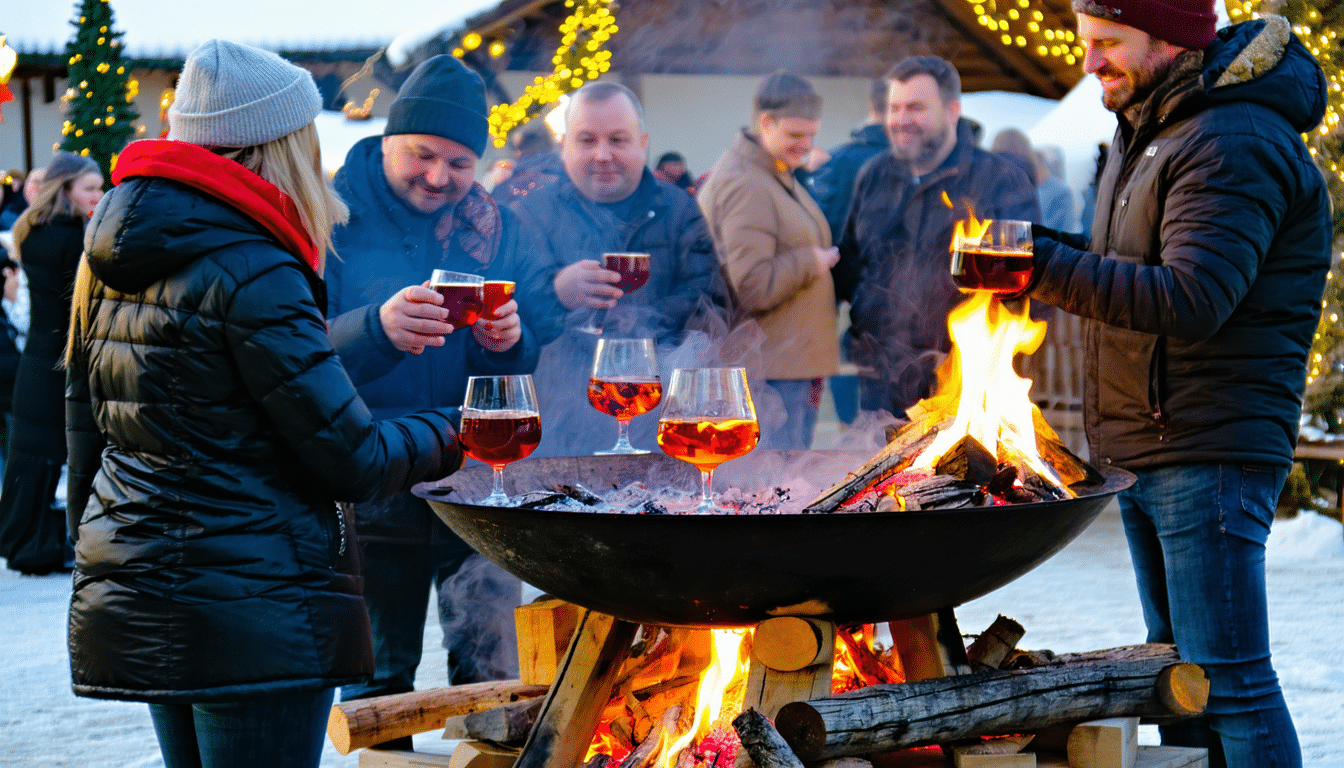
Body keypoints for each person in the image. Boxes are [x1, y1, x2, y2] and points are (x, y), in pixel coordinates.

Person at [62, 40, 465, 768]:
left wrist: (103, 562)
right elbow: (353, 458)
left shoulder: (116, 242)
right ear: (280, 143)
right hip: (254, 605)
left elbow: (88, 424)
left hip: (144, 586)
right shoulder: (255, 262)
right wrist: (460, 429)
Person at [1021, 5, 1331, 766]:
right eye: (1085, 43)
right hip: (1153, 440)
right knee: (1181, 680)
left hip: (1207, 446)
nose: (1089, 62)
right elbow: (1131, 262)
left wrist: (1046, 270)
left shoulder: (1233, 139)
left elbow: (1193, 298)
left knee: (1228, 679)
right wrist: (1038, 248)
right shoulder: (1154, 125)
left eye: (1108, 43)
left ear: (1171, 38)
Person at [326, 53, 550, 721]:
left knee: (492, 674)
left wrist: (511, 341)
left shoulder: (499, 227)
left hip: (475, 476)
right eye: (422, 155)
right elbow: (293, 349)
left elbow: (531, 341)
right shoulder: (331, 217)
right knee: (376, 679)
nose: (437, 176)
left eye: (458, 163)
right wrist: (376, 328)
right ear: (388, 140)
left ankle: (488, 758)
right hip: (371, 477)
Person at [506, 81, 726, 456]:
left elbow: (711, 299)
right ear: (564, 147)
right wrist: (556, 293)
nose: (603, 155)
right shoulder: (530, 214)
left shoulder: (678, 208)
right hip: (558, 427)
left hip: (658, 422)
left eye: (618, 140)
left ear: (643, 144)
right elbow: (501, 324)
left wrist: (639, 323)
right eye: (587, 140)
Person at [834, 56, 1039, 418]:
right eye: (895, 108)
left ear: (951, 111)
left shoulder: (997, 179)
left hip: (964, 386)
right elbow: (851, 262)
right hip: (880, 381)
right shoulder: (874, 175)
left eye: (916, 108)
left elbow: (1030, 283)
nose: (901, 119)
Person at [697, 71, 838, 449]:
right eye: (795, 135)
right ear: (765, 123)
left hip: (787, 368)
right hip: (770, 378)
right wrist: (810, 261)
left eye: (812, 134)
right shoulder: (746, 183)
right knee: (777, 480)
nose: (806, 145)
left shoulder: (772, 172)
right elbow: (753, 286)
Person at [0, 152, 102, 575]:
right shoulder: (76, 237)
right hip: (66, 359)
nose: (99, 195)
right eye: (90, 188)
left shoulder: (32, 230)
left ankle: (26, 542)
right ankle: (51, 544)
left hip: (38, 359)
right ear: (66, 189)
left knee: (33, 453)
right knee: (64, 452)